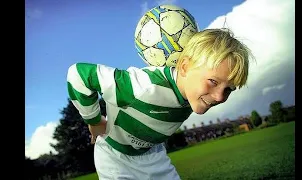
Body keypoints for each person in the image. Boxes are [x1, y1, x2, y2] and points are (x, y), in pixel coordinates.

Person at [66, 28, 254, 180]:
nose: (220, 97)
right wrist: (94, 120)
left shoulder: (194, 93)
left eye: (229, 89)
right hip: (116, 158)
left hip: (154, 156)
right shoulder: (142, 86)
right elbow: (78, 75)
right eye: (213, 81)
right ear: (185, 67)